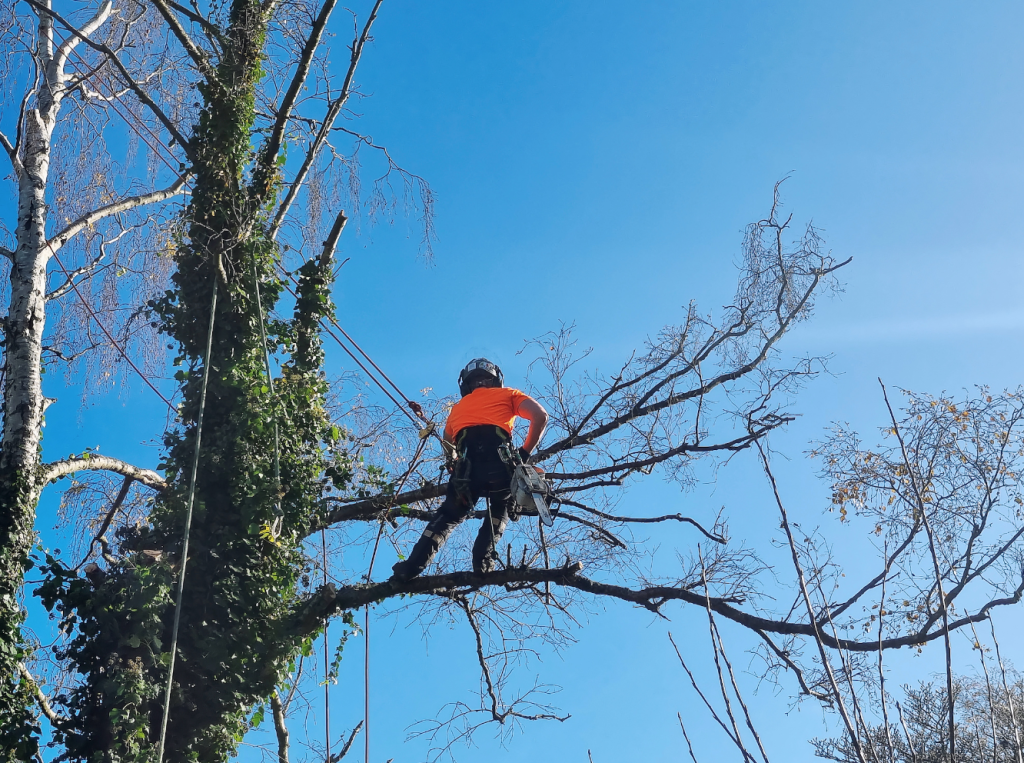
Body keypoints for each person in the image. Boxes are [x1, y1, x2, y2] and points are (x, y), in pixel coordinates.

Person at [391, 358, 549, 581]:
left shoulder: (457, 409)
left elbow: (448, 444)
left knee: (448, 516)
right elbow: (541, 416)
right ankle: (482, 563)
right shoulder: (509, 395)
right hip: (500, 466)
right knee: (501, 507)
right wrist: (524, 453)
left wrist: (453, 464)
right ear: (496, 380)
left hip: (467, 470)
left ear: (466, 385)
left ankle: (411, 567)